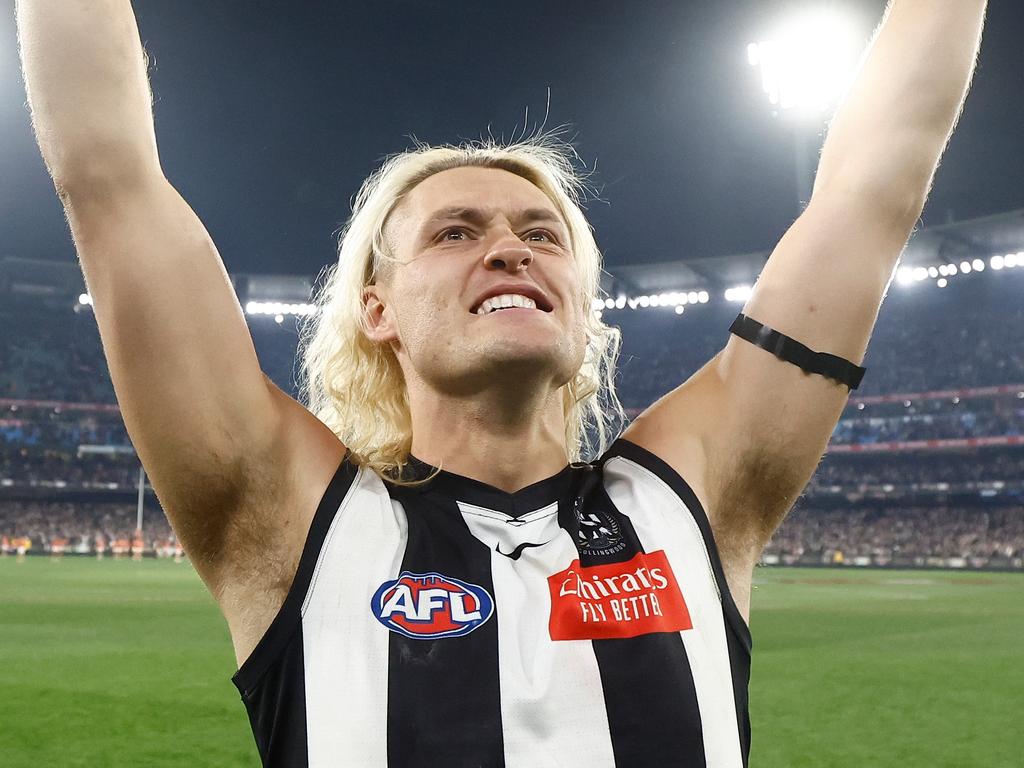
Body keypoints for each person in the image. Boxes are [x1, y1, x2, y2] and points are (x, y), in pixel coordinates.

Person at [16, 0, 987, 765]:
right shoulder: (290, 516)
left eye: (541, 235)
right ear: (376, 310)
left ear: (579, 300)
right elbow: (107, 172)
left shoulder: (692, 490)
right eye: (454, 232)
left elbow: (873, 185)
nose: (509, 253)